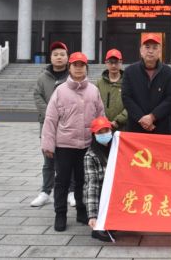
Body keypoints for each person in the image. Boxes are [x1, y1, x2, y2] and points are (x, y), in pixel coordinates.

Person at [41, 51, 105, 232]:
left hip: (87, 144)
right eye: (75, 65)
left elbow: (101, 116)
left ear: (86, 68)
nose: (78, 68)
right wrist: (48, 144)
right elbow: (50, 119)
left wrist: (102, 141)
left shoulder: (93, 90)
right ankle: (60, 214)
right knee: (61, 181)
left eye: (81, 65)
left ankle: (82, 211)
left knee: (83, 181)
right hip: (64, 145)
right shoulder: (60, 91)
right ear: (69, 68)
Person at [31, 41, 73, 208]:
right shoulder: (43, 77)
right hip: (47, 125)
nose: (59, 57)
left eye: (62, 54)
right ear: (51, 57)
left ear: (67, 57)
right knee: (48, 160)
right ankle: (46, 192)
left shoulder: (72, 76)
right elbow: (37, 96)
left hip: (68, 125)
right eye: (56, 54)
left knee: (69, 160)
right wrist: (50, 114)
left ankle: (71, 191)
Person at [122, 33, 171, 134]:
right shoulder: (130, 71)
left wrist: (152, 116)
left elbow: (170, 98)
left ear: (160, 52)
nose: (150, 51)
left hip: (160, 127)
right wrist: (141, 118)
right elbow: (126, 97)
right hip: (136, 126)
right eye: (147, 47)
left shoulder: (168, 72)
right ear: (141, 51)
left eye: (155, 48)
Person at [84, 116, 116, 243]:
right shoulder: (90, 156)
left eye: (106, 130)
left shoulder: (117, 148)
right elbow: (92, 186)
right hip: (101, 193)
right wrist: (92, 215)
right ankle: (98, 224)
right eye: (100, 132)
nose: (104, 134)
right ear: (94, 135)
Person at [95, 49, 127, 131]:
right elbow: (95, 104)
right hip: (103, 128)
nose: (113, 65)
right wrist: (104, 120)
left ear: (121, 62)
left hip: (123, 127)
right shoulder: (99, 83)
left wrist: (118, 120)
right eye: (110, 62)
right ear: (106, 63)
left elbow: (131, 104)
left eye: (116, 62)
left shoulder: (128, 82)